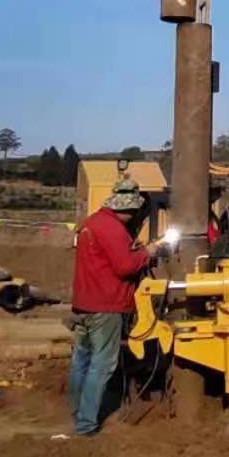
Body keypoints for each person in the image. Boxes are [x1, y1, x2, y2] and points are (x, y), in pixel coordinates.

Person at [67, 180, 161, 437]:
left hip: (84, 303)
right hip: (106, 306)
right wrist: (147, 253)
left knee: (81, 361)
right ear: (129, 210)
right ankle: (86, 424)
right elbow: (124, 267)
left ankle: (77, 412)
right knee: (102, 364)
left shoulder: (91, 223)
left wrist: (133, 250)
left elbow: (108, 259)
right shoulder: (114, 229)